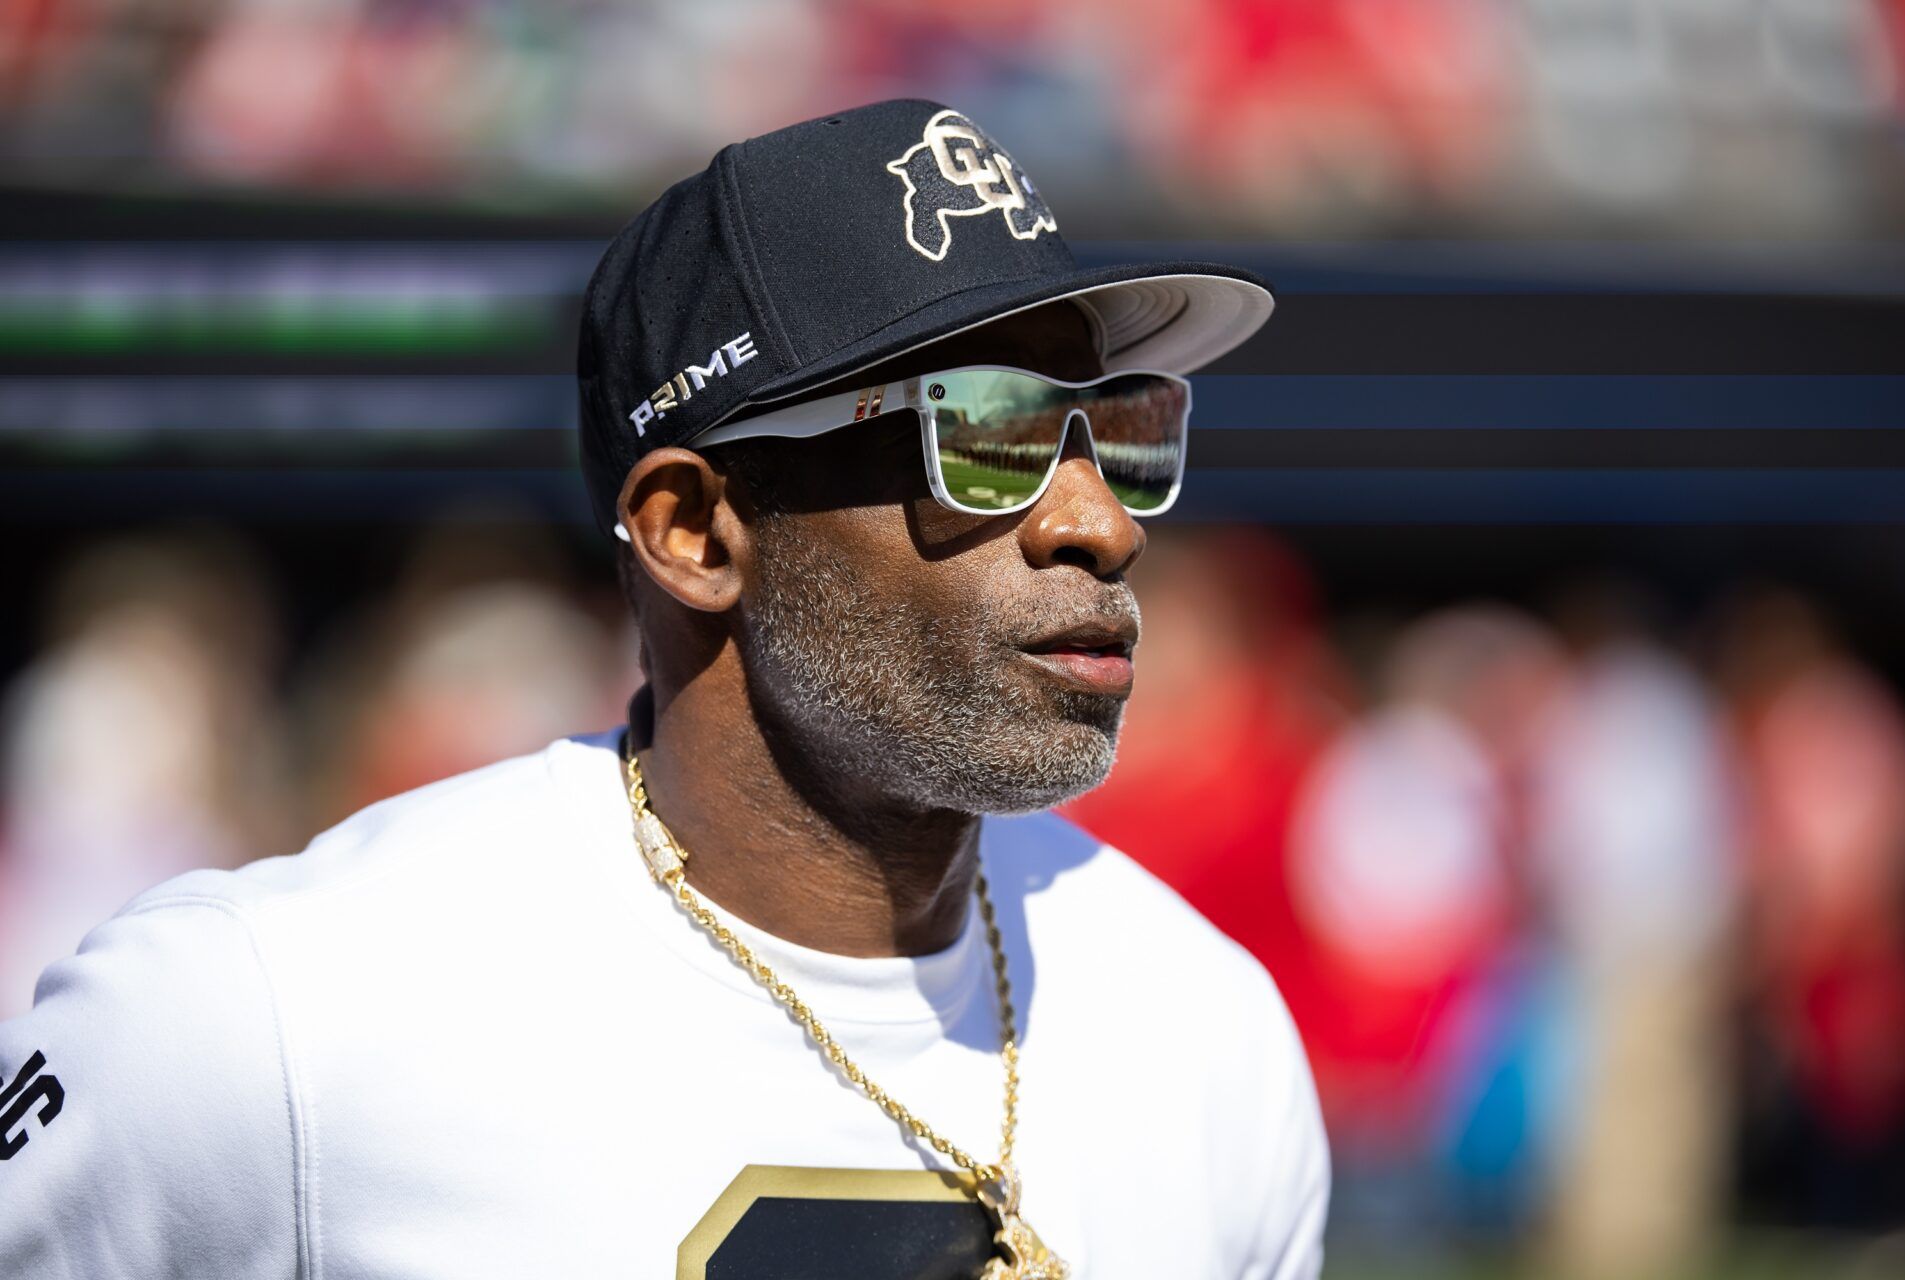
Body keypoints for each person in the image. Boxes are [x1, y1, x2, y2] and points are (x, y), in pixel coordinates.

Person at [0, 100, 1327, 1279]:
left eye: (1127, 428)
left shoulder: (1206, 1034)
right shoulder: (262, 1020)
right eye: (986, 434)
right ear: (695, 531)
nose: (1102, 522)